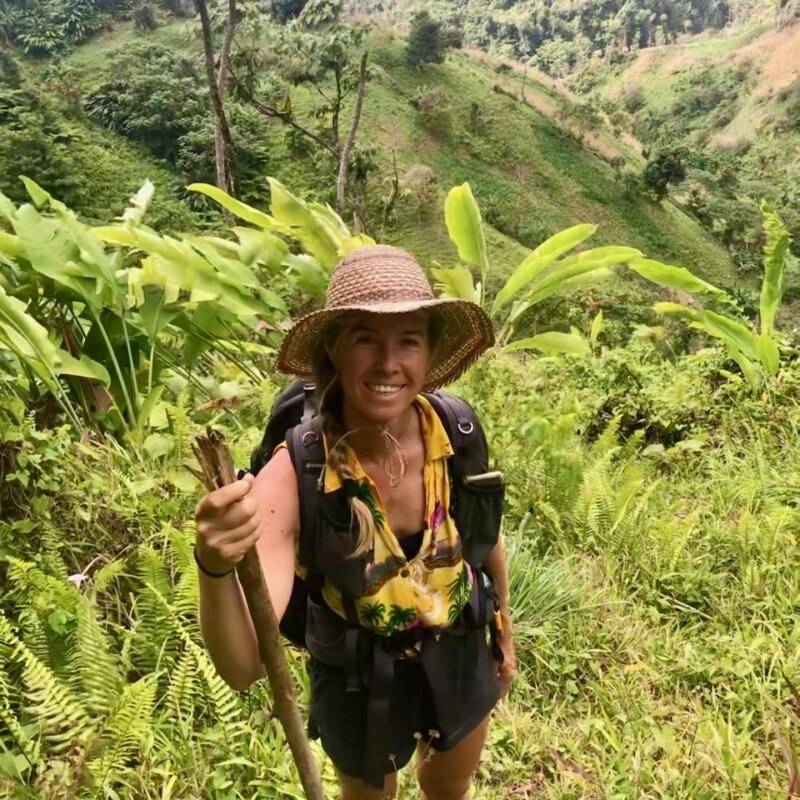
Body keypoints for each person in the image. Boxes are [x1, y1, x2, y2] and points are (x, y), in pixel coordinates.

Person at [194, 245, 516, 800]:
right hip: (356, 673)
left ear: (430, 352)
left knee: (449, 786)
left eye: (408, 340)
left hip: (462, 647)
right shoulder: (295, 473)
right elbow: (244, 667)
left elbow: (483, 541)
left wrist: (503, 633)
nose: (388, 363)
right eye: (366, 338)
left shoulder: (457, 433)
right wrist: (214, 566)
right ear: (334, 351)